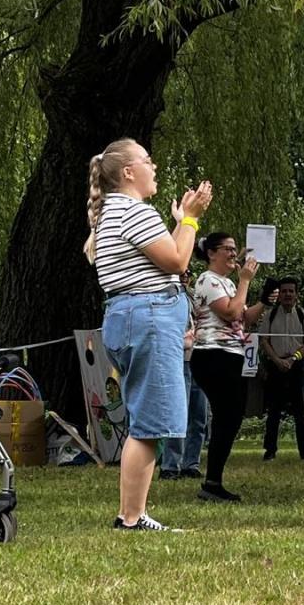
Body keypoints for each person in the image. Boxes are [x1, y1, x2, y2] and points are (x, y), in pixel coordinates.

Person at [87, 138, 211, 531]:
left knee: (145, 420)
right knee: (150, 425)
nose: (153, 166)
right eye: (147, 160)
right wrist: (190, 220)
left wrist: (179, 222)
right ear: (128, 172)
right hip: (149, 319)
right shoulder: (134, 211)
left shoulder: (113, 211)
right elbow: (176, 261)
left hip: (128, 317)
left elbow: (158, 258)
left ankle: (131, 514)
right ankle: (131, 517)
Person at [190, 232, 265, 502]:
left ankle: (214, 481)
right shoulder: (208, 280)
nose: (234, 254)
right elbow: (230, 312)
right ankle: (212, 483)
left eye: (235, 249)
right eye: (228, 249)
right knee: (226, 417)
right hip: (213, 354)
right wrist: (245, 280)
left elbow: (243, 318)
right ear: (211, 253)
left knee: (231, 418)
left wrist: (265, 301)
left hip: (231, 354)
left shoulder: (227, 283)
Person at [259, 276, 304, 461]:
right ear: (279, 295)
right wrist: (277, 360)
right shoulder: (270, 315)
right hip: (276, 365)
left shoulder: (303, 315)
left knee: (301, 411)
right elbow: (264, 341)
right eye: (284, 291)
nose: (287, 294)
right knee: (274, 410)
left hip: (297, 365)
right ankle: (270, 451)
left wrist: (293, 359)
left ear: (296, 294)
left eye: (291, 291)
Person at [160, 269, 209, 481]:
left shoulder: (194, 296)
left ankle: (191, 463)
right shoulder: (165, 296)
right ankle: (170, 466)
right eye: (180, 272)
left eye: (188, 272)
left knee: (199, 416)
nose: (185, 275)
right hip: (178, 360)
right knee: (177, 415)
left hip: (200, 359)